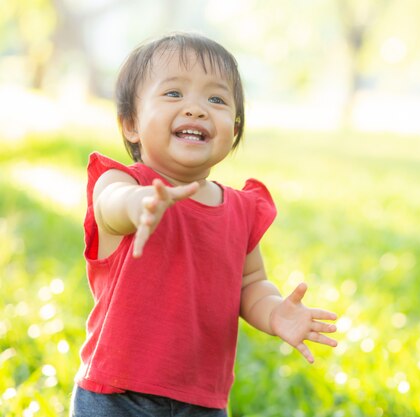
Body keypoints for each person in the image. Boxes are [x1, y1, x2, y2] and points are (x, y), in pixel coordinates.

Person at [71, 31, 338, 417]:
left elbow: (250, 283)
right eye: (174, 94)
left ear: (234, 129)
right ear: (131, 123)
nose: (196, 109)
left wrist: (274, 311)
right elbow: (109, 208)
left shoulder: (241, 209)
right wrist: (139, 204)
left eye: (216, 99)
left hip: (203, 400)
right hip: (117, 394)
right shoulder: (124, 184)